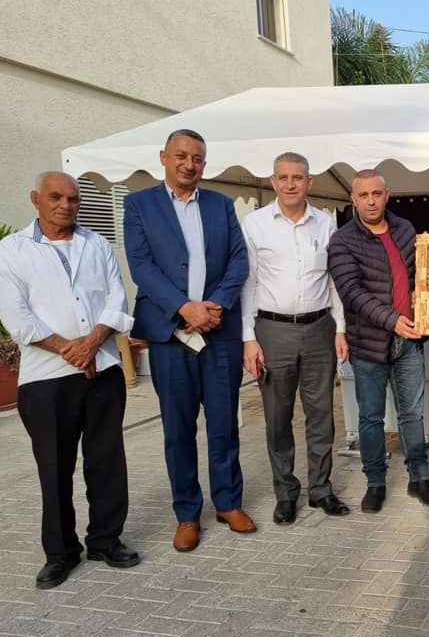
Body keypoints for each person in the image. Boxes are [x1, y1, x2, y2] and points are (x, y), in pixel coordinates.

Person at [0, 172, 139, 589]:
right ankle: (60, 553)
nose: (65, 204)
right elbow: (17, 317)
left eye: (73, 198)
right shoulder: (11, 250)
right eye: (56, 197)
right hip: (46, 380)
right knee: (55, 467)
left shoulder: (96, 244)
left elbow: (118, 298)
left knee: (107, 461)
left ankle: (105, 540)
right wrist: (71, 350)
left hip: (104, 370)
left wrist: (94, 342)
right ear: (35, 198)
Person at [124, 129, 255, 553]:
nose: (189, 164)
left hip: (218, 333)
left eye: (198, 158)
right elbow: (142, 266)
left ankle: (228, 502)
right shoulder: (139, 204)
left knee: (223, 425)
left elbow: (239, 259)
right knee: (178, 430)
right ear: (164, 157)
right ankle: (186, 513)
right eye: (181, 155)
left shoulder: (219, 205)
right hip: (170, 335)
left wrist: (214, 304)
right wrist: (184, 307)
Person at [240, 152, 350, 525]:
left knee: (321, 416)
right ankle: (285, 493)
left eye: (298, 177)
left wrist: (340, 328)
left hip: (319, 330)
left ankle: (321, 490)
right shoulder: (254, 225)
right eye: (283, 177)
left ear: (309, 182)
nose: (290, 184)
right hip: (272, 331)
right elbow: (247, 284)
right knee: (277, 417)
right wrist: (248, 338)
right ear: (273, 181)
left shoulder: (326, 224)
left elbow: (334, 281)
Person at [328, 169, 429, 513]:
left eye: (376, 193)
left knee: (412, 414)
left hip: (409, 342)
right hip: (369, 344)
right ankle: (375, 482)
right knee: (371, 418)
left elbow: (422, 276)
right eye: (363, 195)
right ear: (353, 198)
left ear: (387, 194)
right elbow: (353, 293)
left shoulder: (406, 230)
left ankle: (419, 478)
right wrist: (393, 321)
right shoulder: (342, 240)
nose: (371, 200)